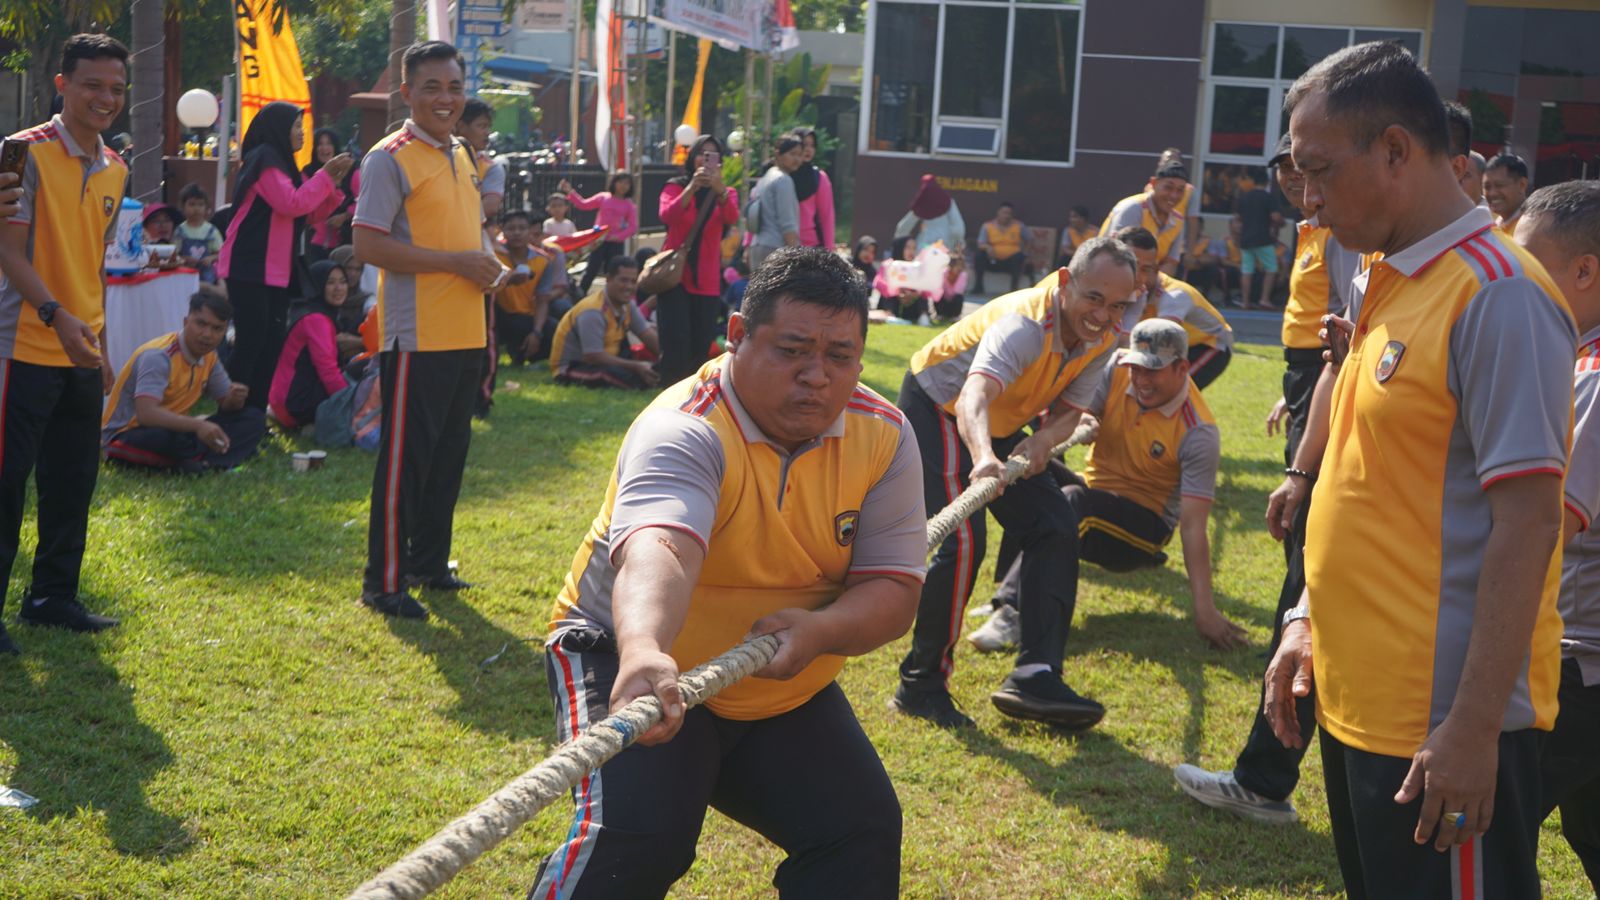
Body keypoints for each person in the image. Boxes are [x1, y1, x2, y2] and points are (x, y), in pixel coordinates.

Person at [1262, 42, 1574, 897]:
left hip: (1439, 728)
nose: (1311, 202)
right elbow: (1375, 484)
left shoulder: (1498, 294)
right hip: (1363, 706)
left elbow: (1530, 522)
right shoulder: (1389, 276)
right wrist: (1306, 617)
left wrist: (1472, 728)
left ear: (1397, 150)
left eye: (1319, 172)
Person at [532, 246, 923, 898]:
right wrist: (645, 649)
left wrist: (820, 634)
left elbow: (894, 589)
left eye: (839, 357)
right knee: (643, 836)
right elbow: (661, 546)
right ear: (737, 335)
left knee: (859, 830)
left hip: (781, 675)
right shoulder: (684, 427)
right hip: (626, 659)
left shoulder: (883, 434)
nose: (817, 376)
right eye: (793, 349)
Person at [1172, 131, 1360, 824]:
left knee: (1305, 587)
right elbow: (1332, 339)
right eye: (1286, 166)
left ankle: (1265, 777)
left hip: (1328, 391)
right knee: (1304, 585)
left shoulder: (1355, 232)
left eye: (1308, 165)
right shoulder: (1319, 225)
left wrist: (1305, 466)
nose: (1292, 179)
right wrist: (1301, 389)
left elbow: (1349, 344)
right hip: (1313, 378)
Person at [893, 237, 1136, 730]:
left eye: (1117, 305)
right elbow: (973, 397)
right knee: (962, 541)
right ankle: (920, 686)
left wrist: (1045, 438)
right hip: (938, 405)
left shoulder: (1105, 336)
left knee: (1055, 523)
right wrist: (983, 458)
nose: (1104, 315)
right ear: (1066, 282)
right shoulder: (1025, 323)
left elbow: (1072, 410)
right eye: (1094, 298)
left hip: (999, 422)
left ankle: (1036, 673)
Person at [969, 319, 1243, 654]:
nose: (1140, 380)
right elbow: (1078, 413)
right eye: (1136, 368)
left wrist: (1204, 609)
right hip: (1093, 491)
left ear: (1183, 367)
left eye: (1152, 371)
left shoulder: (1199, 432)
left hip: (1144, 527)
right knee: (1027, 473)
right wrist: (1082, 420)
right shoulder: (1115, 369)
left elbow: (1193, 526)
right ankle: (1008, 596)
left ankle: (1013, 612)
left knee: (1072, 502)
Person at [353, 40, 503, 620]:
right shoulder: (388, 157)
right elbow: (367, 242)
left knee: (448, 455)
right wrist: (457, 263)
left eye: (455, 87)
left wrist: (488, 263)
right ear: (407, 92)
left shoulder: (463, 152)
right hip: (416, 337)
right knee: (406, 460)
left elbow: (467, 234)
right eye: (433, 87)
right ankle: (384, 582)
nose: (446, 98)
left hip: (467, 330)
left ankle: (428, 564)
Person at [0, 33, 130, 650]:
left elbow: (95, 263)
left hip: (81, 347)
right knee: (6, 483)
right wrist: (55, 314)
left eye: (116, 88)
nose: (106, 98)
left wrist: (98, 341)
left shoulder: (117, 167)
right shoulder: (19, 154)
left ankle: (52, 597)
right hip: (19, 345)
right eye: (93, 85)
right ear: (62, 85)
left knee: (73, 479)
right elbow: (7, 252)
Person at [1513, 180, 1600, 895]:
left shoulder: (1592, 376)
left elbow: (1549, 526)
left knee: (1476, 838)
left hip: (1575, 662)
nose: (1516, 285)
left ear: (1585, 271)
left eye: (1528, 266)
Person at [217, 101, 352, 412]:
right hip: (248, 264)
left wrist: (334, 184)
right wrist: (325, 177)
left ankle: (254, 416)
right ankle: (231, 414)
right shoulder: (264, 158)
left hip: (275, 269)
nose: (302, 134)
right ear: (278, 129)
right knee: (251, 344)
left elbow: (307, 213)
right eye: (295, 127)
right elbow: (290, 203)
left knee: (271, 344)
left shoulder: (281, 162)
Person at [102, 292, 264, 472]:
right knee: (166, 439)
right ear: (186, 322)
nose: (207, 334)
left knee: (253, 418)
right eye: (201, 324)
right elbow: (146, 414)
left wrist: (234, 399)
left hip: (176, 430)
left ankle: (203, 463)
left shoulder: (209, 356)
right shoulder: (158, 356)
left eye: (217, 329)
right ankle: (210, 459)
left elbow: (227, 406)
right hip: (128, 435)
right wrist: (198, 425)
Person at [657, 135, 740, 385]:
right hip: (676, 274)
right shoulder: (675, 185)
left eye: (713, 155)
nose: (707, 160)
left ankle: (695, 387)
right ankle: (670, 385)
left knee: (702, 336)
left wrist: (720, 191)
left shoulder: (727, 192)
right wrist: (691, 187)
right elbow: (667, 215)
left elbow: (731, 217)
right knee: (675, 334)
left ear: (720, 162)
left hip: (707, 277)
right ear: (693, 158)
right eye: (702, 154)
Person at [1112, 227, 1234, 389]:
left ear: (1155, 269)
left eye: (1144, 269)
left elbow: (1160, 341)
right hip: (1172, 346)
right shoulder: (1121, 288)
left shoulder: (1174, 296)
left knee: (1169, 390)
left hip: (1208, 345)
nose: (1136, 276)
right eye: (1131, 266)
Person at [549, 256, 660, 389]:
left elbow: (646, 333)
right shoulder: (593, 310)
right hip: (573, 367)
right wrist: (636, 366)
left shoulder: (628, 305)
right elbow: (593, 356)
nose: (629, 287)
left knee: (651, 368)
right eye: (624, 280)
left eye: (633, 281)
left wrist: (668, 358)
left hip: (608, 359)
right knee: (627, 378)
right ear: (608, 279)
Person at [267, 260, 350, 429]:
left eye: (343, 282)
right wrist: (349, 407)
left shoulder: (304, 308)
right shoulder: (317, 319)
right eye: (330, 282)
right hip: (295, 405)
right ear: (317, 285)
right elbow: (328, 370)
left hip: (281, 400)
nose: (338, 288)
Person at [493, 210, 566, 365]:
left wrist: (537, 332)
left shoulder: (543, 260)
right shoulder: (494, 254)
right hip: (498, 314)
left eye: (522, 228)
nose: (517, 233)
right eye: (511, 229)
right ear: (502, 230)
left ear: (530, 232)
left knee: (554, 330)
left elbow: (542, 299)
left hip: (525, 315)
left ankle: (523, 354)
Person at [1102, 149, 1192, 274]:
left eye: (1180, 190)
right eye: (1168, 187)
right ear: (1154, 183)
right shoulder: (1132, 208)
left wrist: (1154, 288)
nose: (1173, 195)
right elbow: (1119, 259)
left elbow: (1171, 264)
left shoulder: (1178, 220)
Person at [563, 172, 638, 295]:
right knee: (592, 268)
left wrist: (619, 237)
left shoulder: (629, 205)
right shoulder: (603, 197)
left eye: (627, 183)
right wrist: (570, 192)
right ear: (614, 183)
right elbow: (584, 204)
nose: (623, 186)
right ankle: (581, 293)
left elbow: (633, 227)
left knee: (614, 271)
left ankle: (612, 295)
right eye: (620, 182)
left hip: (616, 243)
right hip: (599, 240)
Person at [746, 134, 804, 271]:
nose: (797, 159)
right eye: (792, 154)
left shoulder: (766, 177)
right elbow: (788, 225)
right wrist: (797, 258)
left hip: (758, 246)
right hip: (776, 249)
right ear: (778, 154)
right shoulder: (783, 180)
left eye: (800, 155)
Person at [303, 127, 359, 261]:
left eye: (328, 143)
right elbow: (304, 203)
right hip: (314, 242)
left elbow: (364, 200)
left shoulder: (351, 170)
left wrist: (345, 216)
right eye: (320, 144)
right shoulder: (307, 173)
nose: (324, 148)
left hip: (345, 243)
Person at [1233, 172, 1280, 309]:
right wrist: (1281, 222)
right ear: (1267, 182)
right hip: (1263, 239)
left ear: (1253, 182)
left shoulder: (1244, 197)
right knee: (1271, 269)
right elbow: (1276, 217)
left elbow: (1237, 220)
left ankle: (1245, 301)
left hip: (1246, 239)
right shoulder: (1268, 198)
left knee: (1247, 270)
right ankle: (1264, 299)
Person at [895, 174, 964, 253]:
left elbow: (902, 228)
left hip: (924, 247)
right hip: (944, 246)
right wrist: (955, 244)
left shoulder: (921, 202)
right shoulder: (948, 202)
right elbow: (958, 229)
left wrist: (899, 240)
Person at [792, 127, 836, 250]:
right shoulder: (782, 176)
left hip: (810, 246)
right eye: (804, 144)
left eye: (812, 145)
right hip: (780, 243)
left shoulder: (819, 178)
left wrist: (829, 249)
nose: (808, 149)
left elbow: (827, 216)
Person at [975, 202, 1032, 294]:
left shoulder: (1019, 226)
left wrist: (1026, 253)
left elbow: (1029, 239)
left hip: (1011, 262)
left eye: (1009, 213)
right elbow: (980, 243)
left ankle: (1013, 289)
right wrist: (987, 247)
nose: (1006, 216)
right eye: (1004, 213)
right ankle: (978, 287)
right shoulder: (987, 226)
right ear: (998, 213)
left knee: (1019, 257)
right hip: (992, 260)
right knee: (979, 255)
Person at [873, 236, 931, 323]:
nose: (911, 251)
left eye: (914, 248)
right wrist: (898, 291)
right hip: (894, 302)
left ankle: (923, 317)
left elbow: (927, 288)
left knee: (922, 296)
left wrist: (914, 294)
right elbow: (878, 283)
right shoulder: (889, 264)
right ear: (900, 247)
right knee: (887, 294)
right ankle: (890, 315)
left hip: (912, 304)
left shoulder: (918, 266)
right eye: (908, 247)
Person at [175, 183, 223, 286]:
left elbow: (221, 253)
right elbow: (174, 254)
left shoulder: (212, 231)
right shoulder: (180, 231)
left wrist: (210, 258)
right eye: (192, 204)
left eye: (200, 204)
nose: (196, 208)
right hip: (185, 273)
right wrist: (184, 259)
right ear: (183, 207)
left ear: (206, 208)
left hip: (207, 275)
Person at [1484, 152, 1529, 236]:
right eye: (1487, 187)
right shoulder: (1491, 225)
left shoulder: (1532, 227)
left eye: (1499, 185)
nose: (1492, 193)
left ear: (1522, 185)